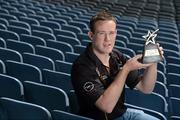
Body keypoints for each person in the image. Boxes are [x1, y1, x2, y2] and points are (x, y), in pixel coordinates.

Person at [71, 10, 163, 120]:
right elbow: (106, 106)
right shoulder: (82, 66)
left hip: (122, 114)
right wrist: (126, 69)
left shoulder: (116, 56)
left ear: (116, 33)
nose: (108, 39)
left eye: (111, 33)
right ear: (91, 35)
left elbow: (146, 88)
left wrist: (152, 62)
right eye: (101, 33)